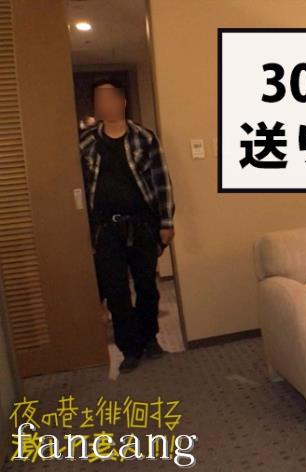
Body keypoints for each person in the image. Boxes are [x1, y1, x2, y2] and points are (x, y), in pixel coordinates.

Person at [79, 77, 175, 374]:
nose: (105, 104)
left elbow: (161, 181)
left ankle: (149, 339)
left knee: (147, 286)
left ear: (122, 101)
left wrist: (166, 221)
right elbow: (80, 186)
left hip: (142, 225)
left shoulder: (144, 138)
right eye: (100, 100)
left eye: (110, 98)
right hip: (106, 229)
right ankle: (129, 348)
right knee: (116, 291)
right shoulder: (85, 142)